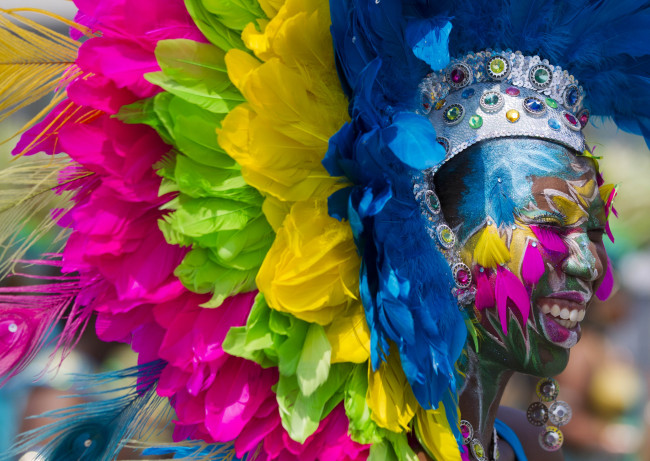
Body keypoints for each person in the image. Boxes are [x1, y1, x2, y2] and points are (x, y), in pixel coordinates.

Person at [0, 1, 642, 460]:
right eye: (551, 221)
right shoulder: (332, 449)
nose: (588, 261)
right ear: (437, 234)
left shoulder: (504, 446)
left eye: (593, 223)